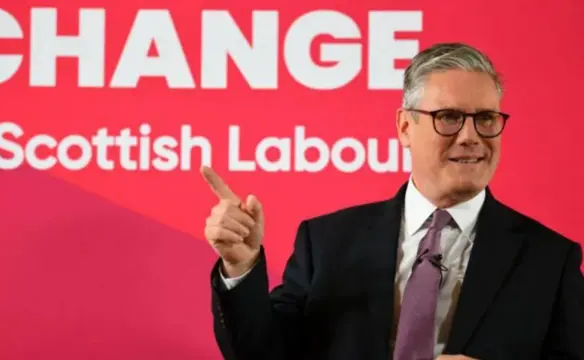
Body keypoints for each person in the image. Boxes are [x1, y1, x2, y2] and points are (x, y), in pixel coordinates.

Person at [201, 42, 584, 360]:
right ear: (404, 126)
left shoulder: (549, 259)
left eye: (485, 118)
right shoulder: (327, 242)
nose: (471, 136)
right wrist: (241, 266)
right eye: (448, 117)